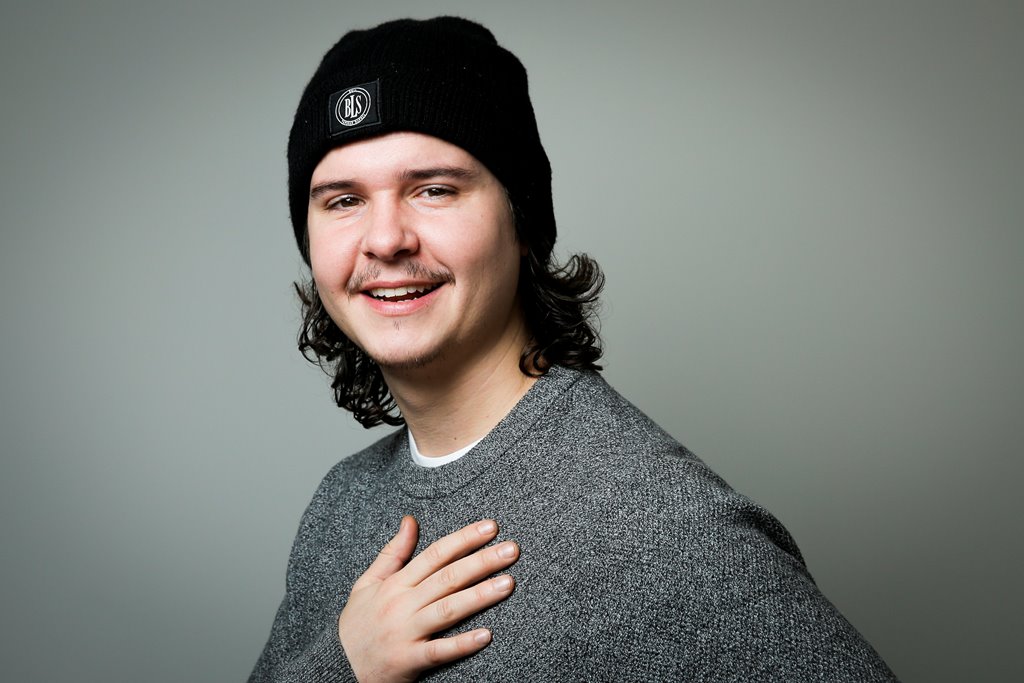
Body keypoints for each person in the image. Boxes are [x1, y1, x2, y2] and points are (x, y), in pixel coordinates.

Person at [250, 16, 898, 682]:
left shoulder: (657, 525)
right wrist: (345, 664)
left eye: (434, 189)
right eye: (343, 200)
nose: (386, 239)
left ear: (522, 223)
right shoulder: (341, 504)